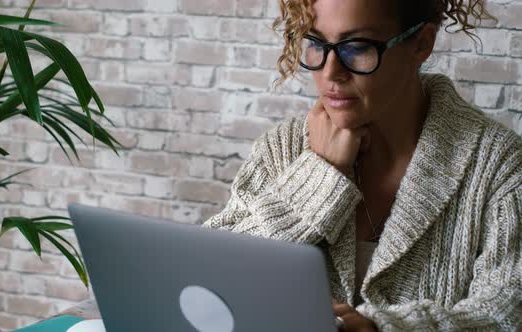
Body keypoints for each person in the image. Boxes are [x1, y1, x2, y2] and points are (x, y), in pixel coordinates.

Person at [201, 0, 522, 330]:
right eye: (314, 42)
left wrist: (380, 329)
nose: (330, 73)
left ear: (422, 44)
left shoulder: (498, 166)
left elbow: (505, 315)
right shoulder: (283, 148)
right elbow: (207, 279)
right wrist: (318, 178)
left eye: (356, 47)